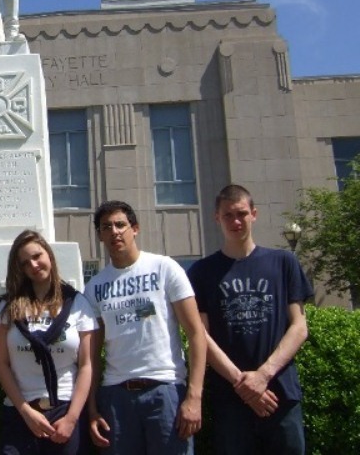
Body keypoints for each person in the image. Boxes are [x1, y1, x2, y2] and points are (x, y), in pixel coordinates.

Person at [187, 184, 313, 455]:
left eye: (242, 213)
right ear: (216, 218)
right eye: (228, 215)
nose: (236, 221)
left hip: (280, 393)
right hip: (230, 399)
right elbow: (201, 336)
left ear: (254, 214)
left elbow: (299, 327)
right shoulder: (201, 272)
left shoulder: (283, 262)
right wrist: (243, 384)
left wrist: (264, 375)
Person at [83, 200, 206, 455]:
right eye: (107, 227)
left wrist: (194, 397)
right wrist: (93, 408)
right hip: (117, 396)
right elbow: (91, 356)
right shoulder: (94, 287)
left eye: (120, 225)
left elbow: (196, 334)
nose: (115, 231)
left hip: (165, 390)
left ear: (135, 229)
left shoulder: (164, 268)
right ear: (100, 235)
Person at [0, 230, 94, 454]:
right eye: (25, 263)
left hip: (65, 412)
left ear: (49, 254)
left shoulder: (77, 303)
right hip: (21, 412)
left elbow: (86, 365)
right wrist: (25, 411)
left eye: (37, 256)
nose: (34, 265)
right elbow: (1, 364)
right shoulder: (7, 307)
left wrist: (72, 419)